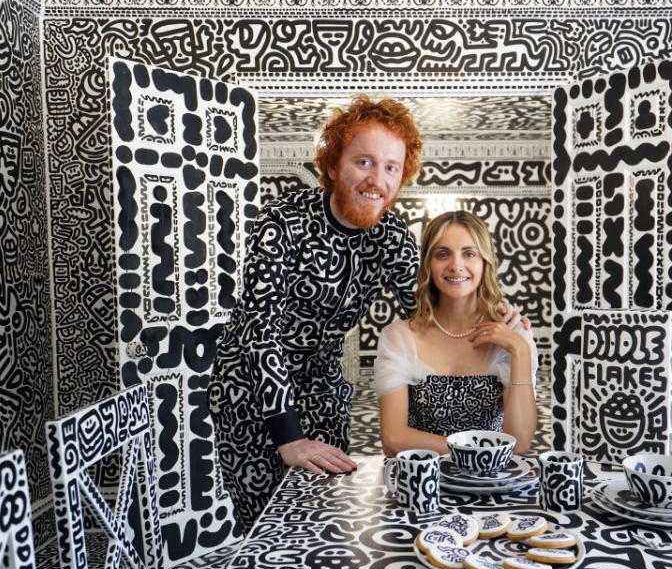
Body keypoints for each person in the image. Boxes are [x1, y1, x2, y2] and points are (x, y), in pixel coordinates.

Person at [209, 97, 525, 533]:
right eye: (364, 162)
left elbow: (427, 310)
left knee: (324, 518)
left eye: (391, 167)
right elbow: (261, 328)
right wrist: (287, 434)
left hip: (322, 390)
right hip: (251, 396)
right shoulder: (280, 221)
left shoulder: (391, 236)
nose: (378, 179)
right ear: (334, 165)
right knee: (268, 525)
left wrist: (499, 317)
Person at [375, 211, 538, 457]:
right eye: (443, 254)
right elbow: (393, 439)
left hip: (490, 485)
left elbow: (520, 442)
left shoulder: (512, 335)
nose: (456, 265)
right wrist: (481, 453)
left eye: (469, 253)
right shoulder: (399, 337)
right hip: (422, 484)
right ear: (428, 263)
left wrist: (521, 350)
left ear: (485, 262)